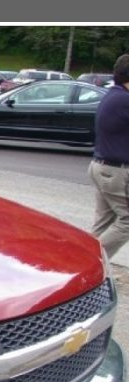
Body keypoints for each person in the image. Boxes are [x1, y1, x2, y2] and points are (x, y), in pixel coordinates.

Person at [90, 54, 129, 258]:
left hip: (103, 168)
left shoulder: (113, 95)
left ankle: (83, 260)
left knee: (103, 222)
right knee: (126, 222)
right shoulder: (124, 100)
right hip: (115, 172)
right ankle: (91, 259)